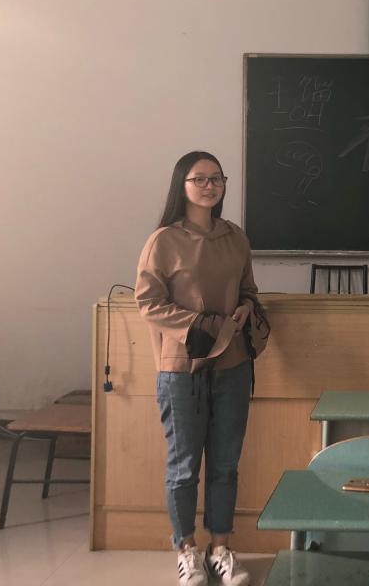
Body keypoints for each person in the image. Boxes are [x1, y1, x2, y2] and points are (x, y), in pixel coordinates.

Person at [136, 150, 267, 586]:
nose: (210, 186)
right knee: (183, 466)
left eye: (217, 178)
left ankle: (221, 549)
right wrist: (200, 325)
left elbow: (249, 290)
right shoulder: (163, 240)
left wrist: (246, 307)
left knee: (226, 463)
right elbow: (148, 302)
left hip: (234, 364)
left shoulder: (235, 237)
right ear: (182, 185)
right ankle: (186, 550)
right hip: (181, 368)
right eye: (200, 179)